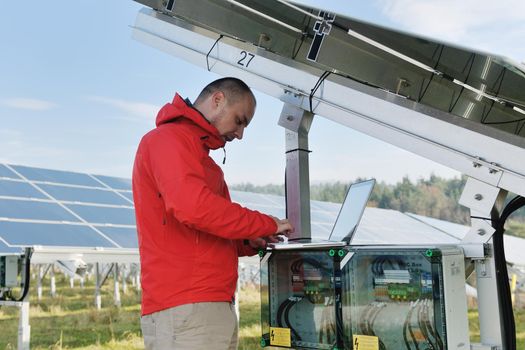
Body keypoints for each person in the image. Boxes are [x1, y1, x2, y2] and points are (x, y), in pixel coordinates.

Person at [132, 77, 293, 350]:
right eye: (239, 120)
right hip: (187, 305)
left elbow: (199, 228)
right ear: (218, 100)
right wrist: (264, 223)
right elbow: (194, 208)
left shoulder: (197, 154)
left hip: (205, 306)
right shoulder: (168, 141)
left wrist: (244, 241)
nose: (240, 134)